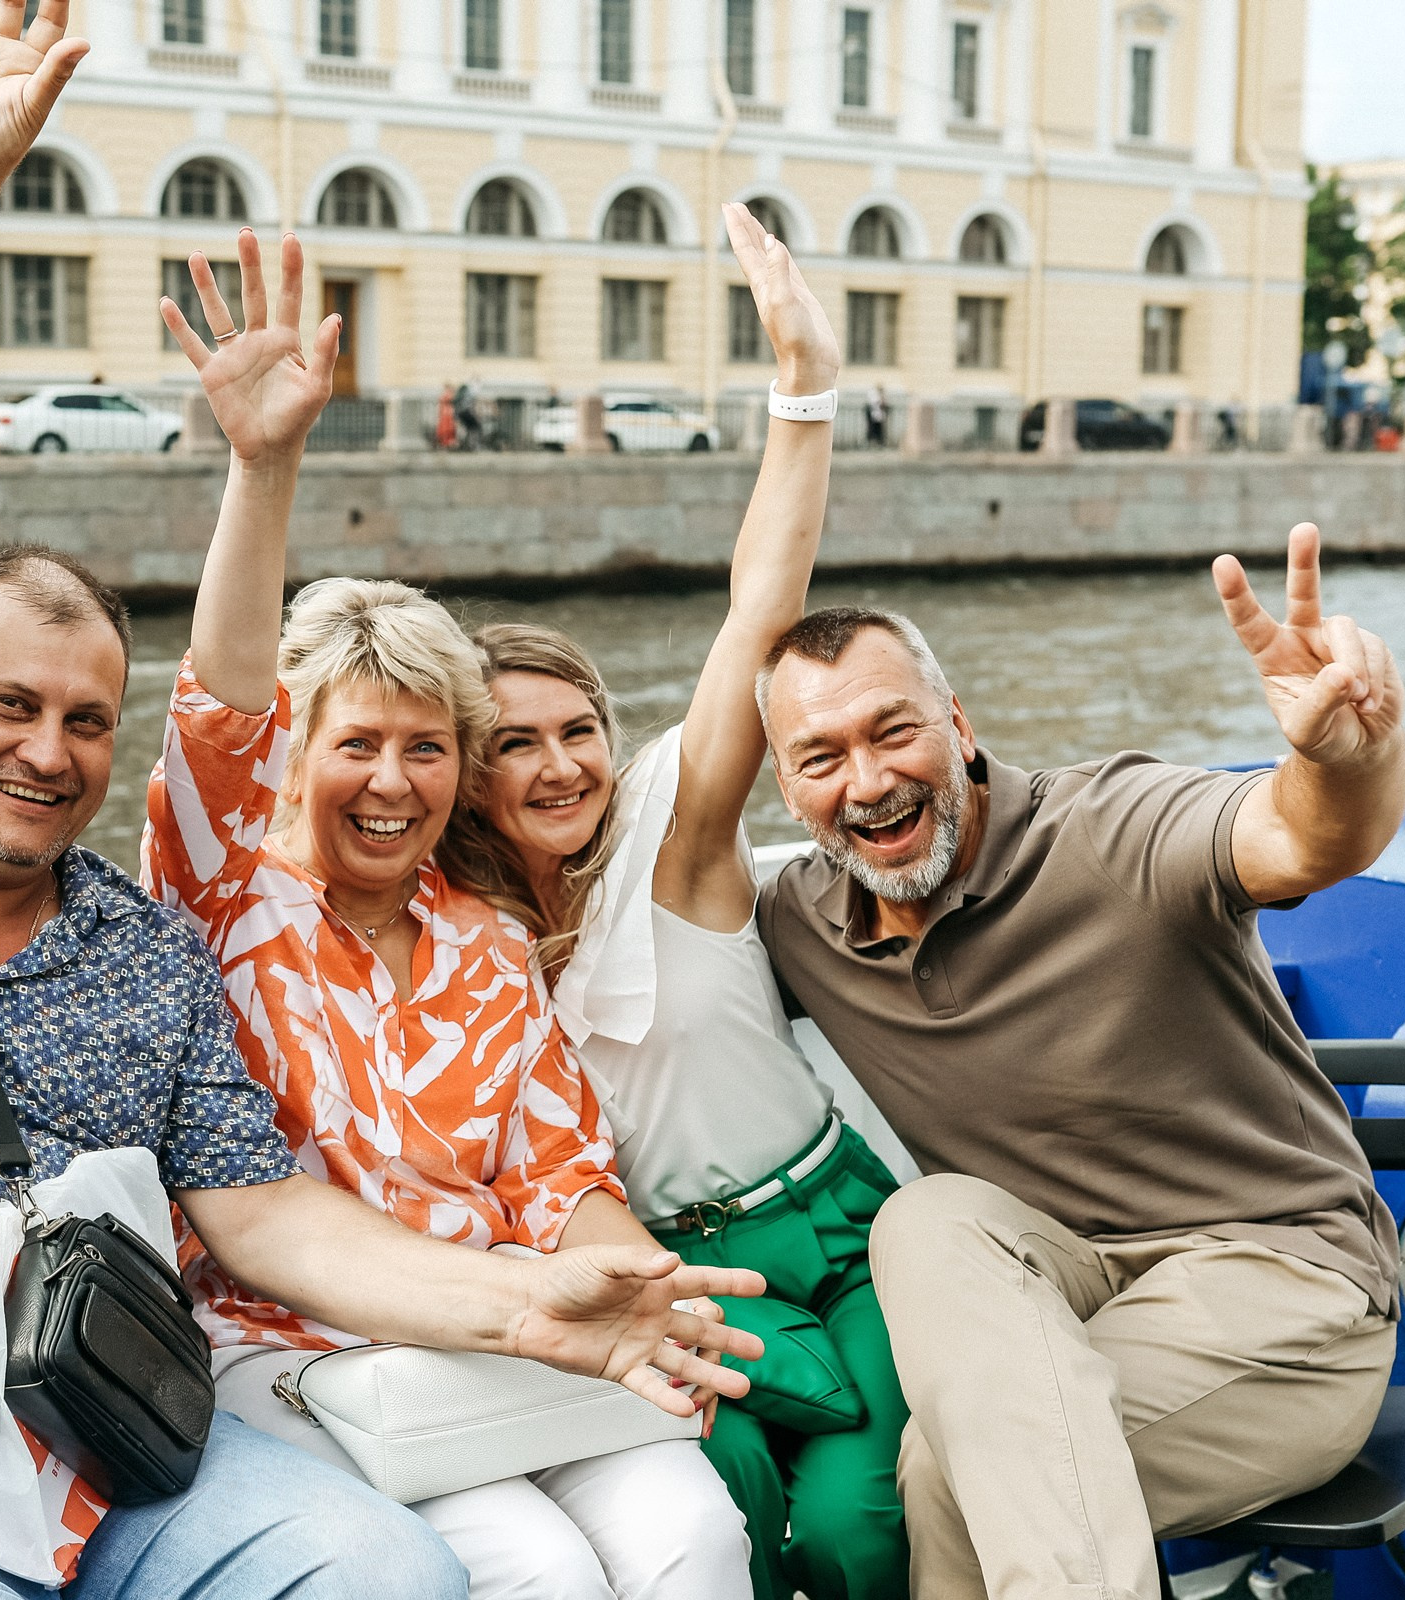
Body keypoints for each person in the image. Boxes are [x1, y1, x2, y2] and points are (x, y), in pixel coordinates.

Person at [0, 5, 764, 1595]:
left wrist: (536, 1304)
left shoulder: (144, 948)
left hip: (112, 1440)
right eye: (8, 707)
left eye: (84, 720)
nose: (49, 752)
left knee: (404, 1577)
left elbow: (265, 1214)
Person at [140, 231, 759, 1600]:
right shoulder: (222, 893)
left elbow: (560, 1173)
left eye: (427, 748)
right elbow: (218, 707)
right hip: (297, 1354)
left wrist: (636, 1283)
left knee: (695, 1532)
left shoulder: (485, 942)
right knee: (535, 1569)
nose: (392, 781)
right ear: (294, 754)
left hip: (512, 1336)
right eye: (357, 744)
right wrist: (263, 466)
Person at [753, 527, 1405, 1600]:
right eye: (821, 758)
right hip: (1069, 1292)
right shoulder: (800, 923)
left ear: (959, 726)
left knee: (943, 1478)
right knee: (925, 1217)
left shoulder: (1110, 828)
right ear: (786, 787)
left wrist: (1348, 759)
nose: (867, 782)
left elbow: (1300, 838)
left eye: (894, 731)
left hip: (1283, 1290)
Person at [433, 204, 905, 1600]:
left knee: (854, 1527)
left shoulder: (671, 838)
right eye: (514, 743)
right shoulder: (451, 937)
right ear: (463, 775)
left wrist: (802, 387)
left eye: (578, 728)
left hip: (833, 1231)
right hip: (660, 1280)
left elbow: (761, 612)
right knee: (727, 1509)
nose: (561, 764)